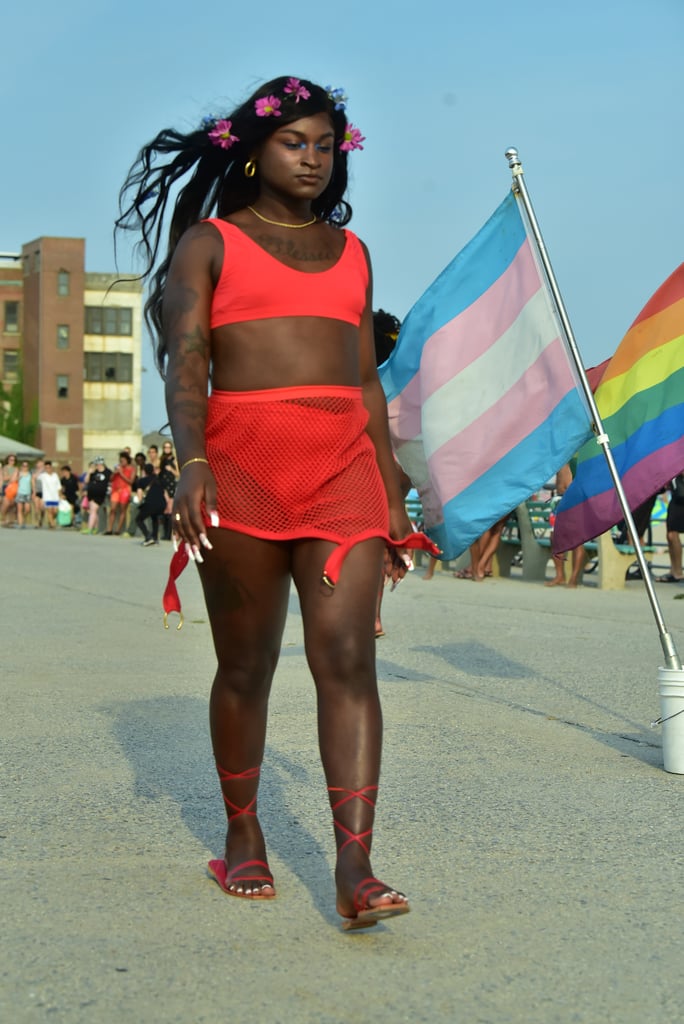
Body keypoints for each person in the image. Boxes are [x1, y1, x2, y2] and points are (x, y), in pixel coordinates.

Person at [117, 75, 437, 930]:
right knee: (247, 668)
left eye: (326, 145)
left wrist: (394, 489)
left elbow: (364, 379)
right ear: (254, 148)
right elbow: (186, 361)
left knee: (347, 662)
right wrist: (189, 463)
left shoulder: (355, 252)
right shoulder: (209, 244)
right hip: (243, 467)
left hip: (340, 472)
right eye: (295, 142)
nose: (312, 158)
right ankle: (245, 828)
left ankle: (355, 862)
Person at [657, 473, 684, 583]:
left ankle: (677, 572)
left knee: (672, 534)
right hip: (676, 496)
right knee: (671, 535)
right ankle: (674, 570)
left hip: (682, 496)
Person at [105, 452, 135, 535]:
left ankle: (118, 530)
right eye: (120, 460)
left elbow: (131, 481)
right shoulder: (117, 467)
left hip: (125, 490)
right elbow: (110, 479)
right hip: (115, 490)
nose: (122, 462)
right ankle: (109, 529)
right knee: (112, 509)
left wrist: (121, 473)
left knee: (123, 509)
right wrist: (115, 473)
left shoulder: (131, 469)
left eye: (123, 460)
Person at [83, 457, 111, 534]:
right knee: (94, 511)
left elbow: (111, 482)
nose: (97, 466)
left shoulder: (107, 472)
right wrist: (89, 472)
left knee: (93, 511)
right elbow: (86, 481)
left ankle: (90, 528)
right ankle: (95, 528)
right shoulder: (94, 473)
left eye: (98, 464)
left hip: (100, 495)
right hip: (91, 495)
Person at [38, 460, 63, 529]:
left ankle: (51, 521)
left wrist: (60, 495)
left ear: (51, 468)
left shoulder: (55, 475)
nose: (48, 469)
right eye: (46, 468)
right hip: (47, 497)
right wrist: (41, 468)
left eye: (49, 467)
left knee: (55, 512)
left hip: (55, 497)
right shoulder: (43, 475)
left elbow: (59, 486)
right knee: (49, 511)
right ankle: (52, 524)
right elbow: (35, 476)